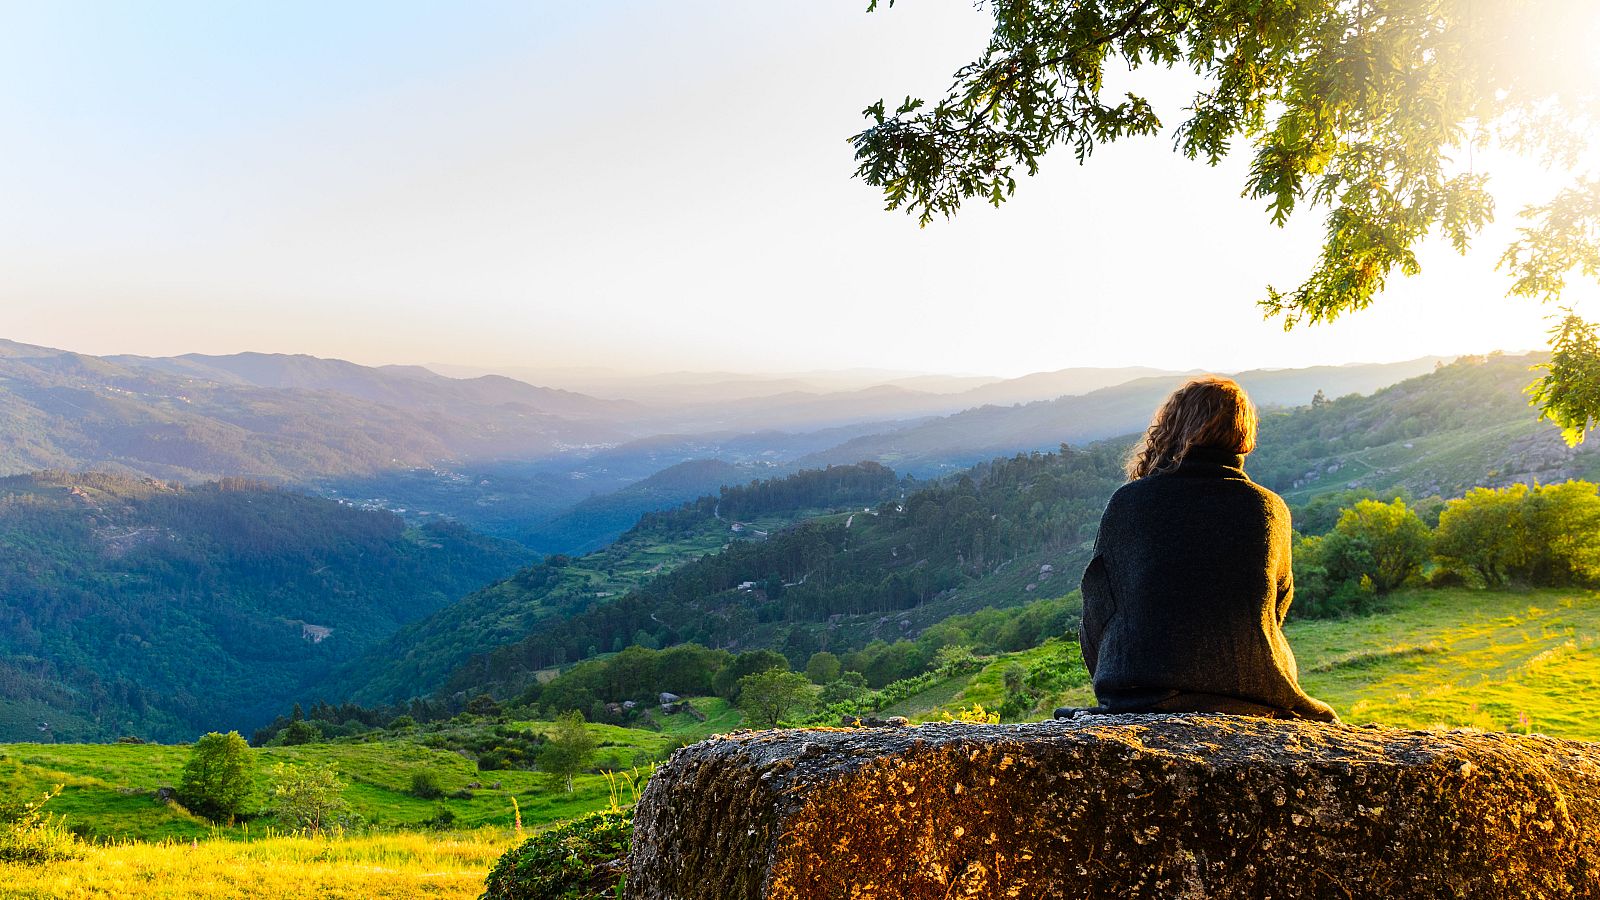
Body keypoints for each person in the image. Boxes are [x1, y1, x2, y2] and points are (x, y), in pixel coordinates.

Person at [1065, 376, 1338, 722]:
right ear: (1243, 438)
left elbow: (1098, 609)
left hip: (1141, 692)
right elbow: (1275, 609)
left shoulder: (1129, 503)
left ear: (1172, 427)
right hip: (1256, 692)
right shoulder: (1270, 510)